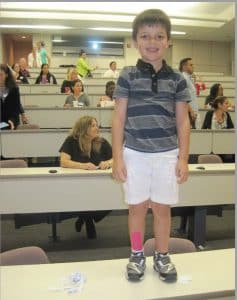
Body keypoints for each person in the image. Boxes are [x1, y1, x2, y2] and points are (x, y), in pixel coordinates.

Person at [112, 9, 190, 283]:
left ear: (168, 41)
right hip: (134, 154)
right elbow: (119, 118)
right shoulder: (127, 75)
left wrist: (183, 158)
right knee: (136, 208)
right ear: (134, 41)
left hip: (167, 154)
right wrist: (117, 158)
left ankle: (162, 254)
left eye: (159, 36)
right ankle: (136, 253)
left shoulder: (178, 79)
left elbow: (183, 122)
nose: (152, 41)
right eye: (145, 36)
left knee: (162, 209)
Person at [59, 116, 113, 238]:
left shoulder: (101, 142)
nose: (97, 128)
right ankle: (88, 220)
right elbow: (64, 161)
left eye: (97, 125)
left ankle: (84, 218)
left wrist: (108, 163)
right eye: (93, 125)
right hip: (77, 183)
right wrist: (83, 166)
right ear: (84, 128)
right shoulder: (71, 141)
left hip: (99, 184)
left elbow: (115, 158)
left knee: (113, 198)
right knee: (86, 195)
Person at [0, 64, 22, 129]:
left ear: (6, 75)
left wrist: (11, 121)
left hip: (11, 121)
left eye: (1, 75)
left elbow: (16, 109)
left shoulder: (14, 89)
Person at [179, 57, 198, 129]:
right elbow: (182, 97)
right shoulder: (183, 78)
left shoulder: (188, 78)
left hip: (191, 113)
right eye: (191, 65)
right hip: (188, 113)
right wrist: (191, 111)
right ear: (184, 66)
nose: (193, 66)